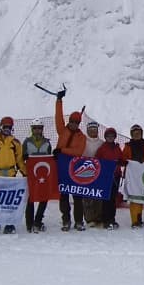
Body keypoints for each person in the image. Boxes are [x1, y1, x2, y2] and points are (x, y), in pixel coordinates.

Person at [52, 91, 88, 231]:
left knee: (77, 196)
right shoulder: (62, 130)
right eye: (72, 121)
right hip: (61, 167)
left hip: (74, 168)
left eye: (76, 122)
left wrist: (62, 151)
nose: (73, 124)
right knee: (64, 195)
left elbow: (78, 151)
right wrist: (59, 100)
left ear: (79, 123)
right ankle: (66, 220)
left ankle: (79, 221)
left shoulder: (81, 137)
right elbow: (58, 117)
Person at [0, 117, 24, 234]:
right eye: (5, 127)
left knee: (9, 201)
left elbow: (19, 160)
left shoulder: (15, 143)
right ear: (1, 127)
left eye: (9, 127)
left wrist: (25, 172)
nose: (7, 129)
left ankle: (9, 225)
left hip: (10, 174)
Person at [23, 119, 54, 233]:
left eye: (39, 128)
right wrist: (24, 166)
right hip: (31, 174)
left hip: (43, 175)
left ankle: (38, 221)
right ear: (32, 129)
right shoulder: (27, 142)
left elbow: (49, 157)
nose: (37, 130)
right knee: (31, 198)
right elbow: (22, 157)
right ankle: (29, 223)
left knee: (44, 198)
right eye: (35, 128)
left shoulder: (47, 142)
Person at [95, 127, 125, 229]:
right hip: (106, 176)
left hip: (116, 176)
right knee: (106, 199)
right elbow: (96, 161)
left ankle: (112, 218)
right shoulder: (102, 148)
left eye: (112, 136)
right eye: (108, 136)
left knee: (113, 199)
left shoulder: (117, 148)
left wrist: (122, 162)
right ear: (106, 137)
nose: (110, 138)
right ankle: (105, 219)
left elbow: (121, 159)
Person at [124, 124, 144, 229]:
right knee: (134, 197)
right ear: (131, 134)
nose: (137, 134)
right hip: (132, 176)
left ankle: (139, 218)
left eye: (138, 133)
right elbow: (124, 158)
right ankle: (135, 220)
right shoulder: (128, 146)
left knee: (141, 196)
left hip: (143, 175)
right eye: (134, 133)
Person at [81, 119, 105, 227]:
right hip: (85, 171)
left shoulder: (101, 143)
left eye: (94, 129)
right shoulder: (83, 141)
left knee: (98, 196)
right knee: (87, 196)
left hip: (98, 172)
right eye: (90, 129)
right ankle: (89, 218)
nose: (92, 131)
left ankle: (98, 217)